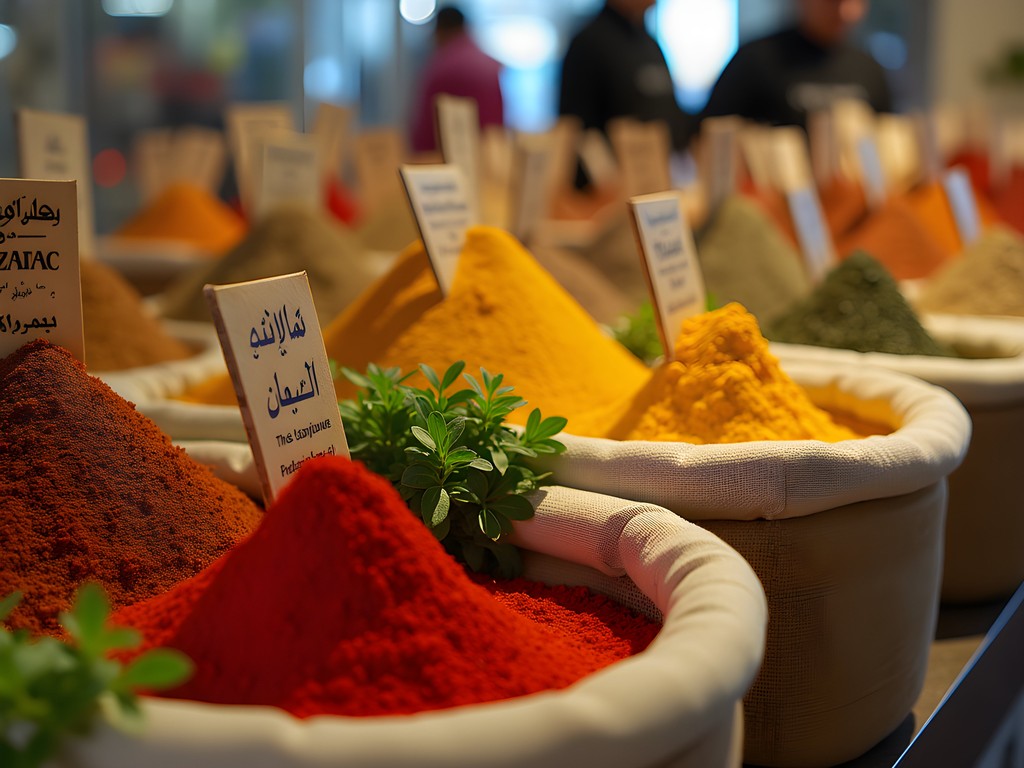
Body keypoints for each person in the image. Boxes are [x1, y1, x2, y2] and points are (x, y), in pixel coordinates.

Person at [701, 0, 892, 129]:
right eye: (833, 1)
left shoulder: (868, 67)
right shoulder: (755, 59)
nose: (847, 13)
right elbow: (707, 134)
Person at [558, 0, 693, 155]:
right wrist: (605, 173)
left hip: (660, 169)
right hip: (612, 175)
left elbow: (672, 113)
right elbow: (577, 130)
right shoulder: (587, 44)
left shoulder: (650, 44)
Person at [409, 5, 504, 154]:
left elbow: (425, 128)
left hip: (450, 159)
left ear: (439, 31)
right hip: (488, 155)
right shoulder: (487, 63)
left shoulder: (442, 67)